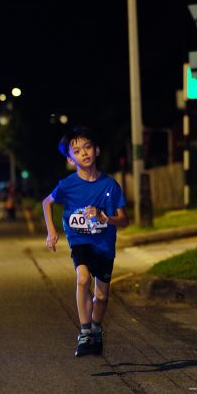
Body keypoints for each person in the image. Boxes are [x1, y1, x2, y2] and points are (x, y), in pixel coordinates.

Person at [42, 126, 129, 357]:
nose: (84, 153)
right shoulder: (67, 185)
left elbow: (124, 220)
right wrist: (51, 231)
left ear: (97, 150)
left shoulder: (110, 186)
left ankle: (96, 329)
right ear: (70, 160)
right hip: (79, 240)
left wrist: (105, 217)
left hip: (104, 245)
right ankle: (85, 332)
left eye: (88, 147)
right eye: (77, 151)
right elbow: (47, 202)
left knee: (101, 296)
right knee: (82, 278)